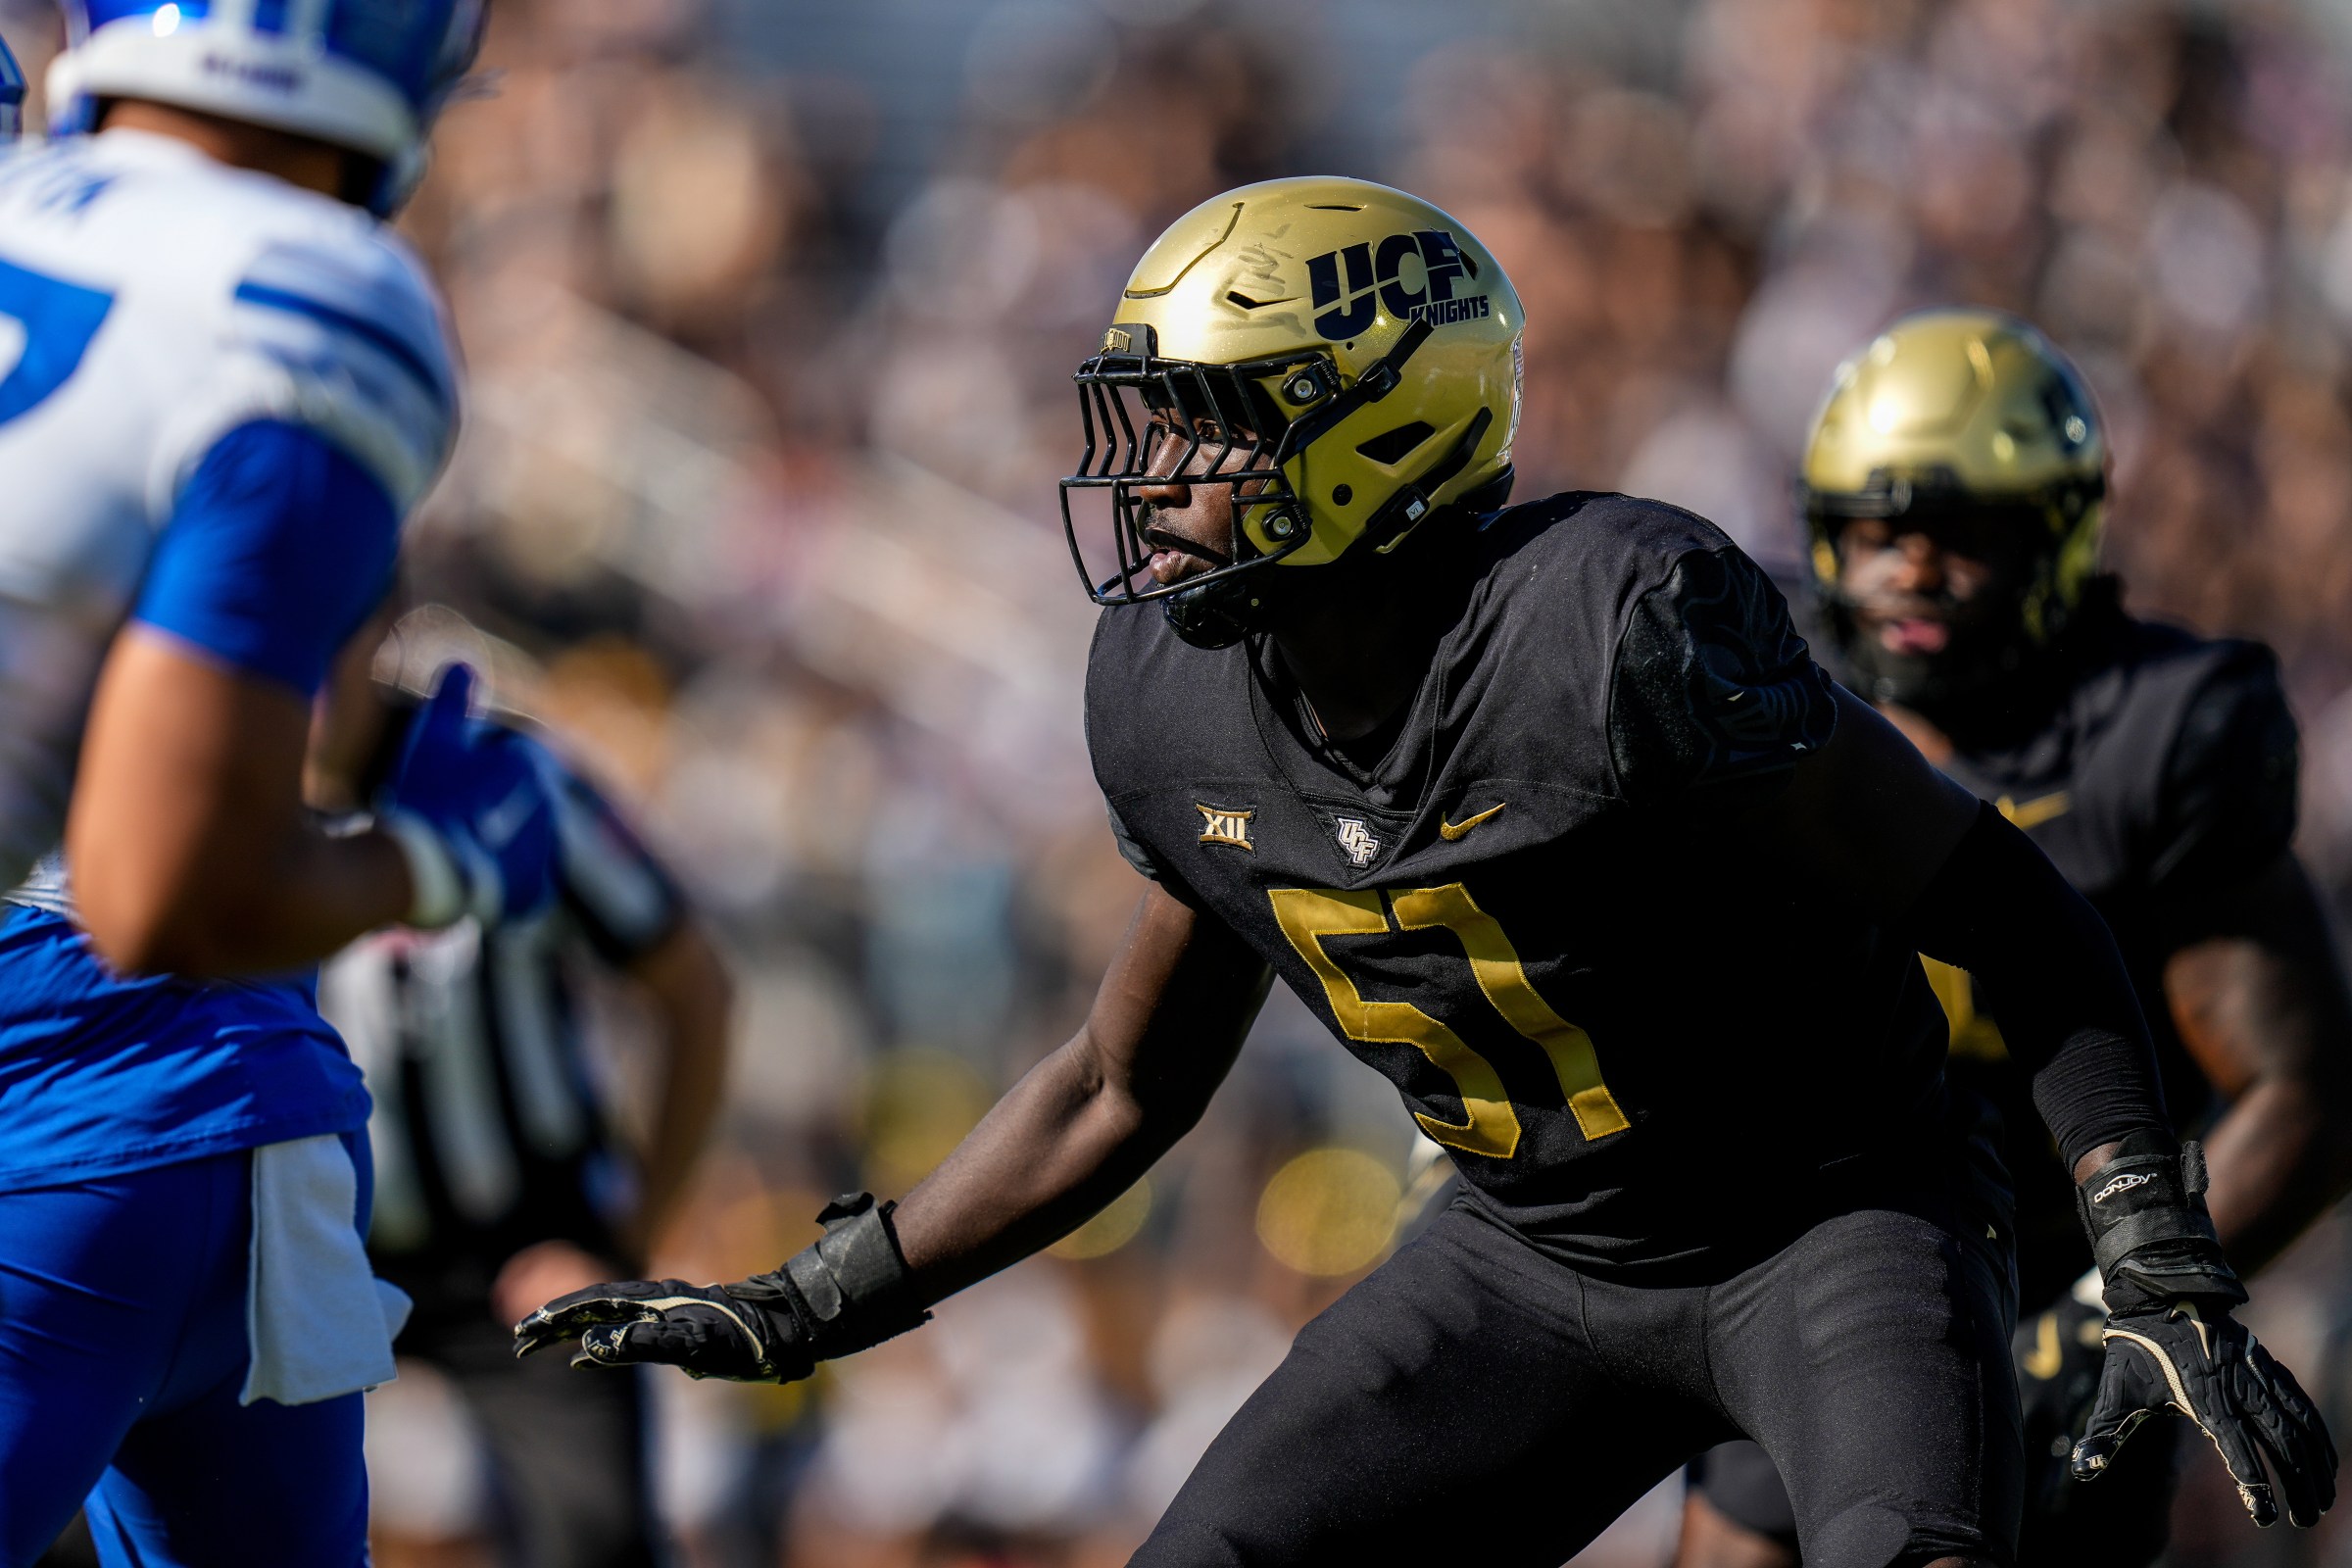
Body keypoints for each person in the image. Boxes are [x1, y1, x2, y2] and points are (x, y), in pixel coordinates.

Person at [516, 178, 2336, 1567]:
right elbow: (1115, 1084)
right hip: (1525, 1262)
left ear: (1372, 426)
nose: (1146, 477)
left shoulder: (1616, 626)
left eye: (1205, 424)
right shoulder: (1175, 698)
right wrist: (817, 1298)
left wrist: (2151, 1252)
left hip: (1828, 1230)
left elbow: (2007, 908)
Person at [0, 4, 564, 1563]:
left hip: (94, 1105)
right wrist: (440, 862)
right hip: (243, 1113)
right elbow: (164, 891)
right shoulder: (310, 295)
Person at [1675, 309, 2352, 1568]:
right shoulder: (1758, 694)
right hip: (1808, 1268)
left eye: (1960, 535)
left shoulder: (2155, 730)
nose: (1913, 573)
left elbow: (2303, 1096)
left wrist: (2102, 1318)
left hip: (2065, 1281)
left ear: (2059, 531)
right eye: (1877, 534)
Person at [309, 613, 733, 1568]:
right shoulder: (193, 791)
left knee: (598, 1540)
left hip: (517, 1246)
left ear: (374, 619)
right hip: (290, 1256)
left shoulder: (504, 775)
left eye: (315, 614)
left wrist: (627, 1235)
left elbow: (693, 988)